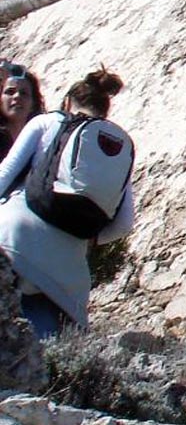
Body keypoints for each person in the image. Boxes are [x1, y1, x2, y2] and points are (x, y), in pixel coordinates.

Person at [0, 68, 134, 337]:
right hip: (67, 269)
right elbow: (124, 224)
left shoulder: (48, 122)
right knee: (38, 349)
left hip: (14, 237)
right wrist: (84, 240)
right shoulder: (120, 145)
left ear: (67, 103)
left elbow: (4, 175)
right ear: (104, 112)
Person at [0, 60, 46, 162]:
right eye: (10, 92)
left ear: (33, 104)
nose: (17, 96)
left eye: (24, 93)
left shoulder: (42, 141)